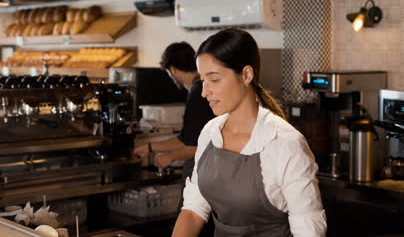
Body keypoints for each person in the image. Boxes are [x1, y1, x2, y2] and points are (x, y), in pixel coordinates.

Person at [172, 29, 327, 237]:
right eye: (202, 80)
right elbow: (193, 209)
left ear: (246, 75)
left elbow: (308, 230)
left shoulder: (285, 143)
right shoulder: (210, 133)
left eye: (214, 79)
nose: (204, 91)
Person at [133, 43, 216, 235]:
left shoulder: (197, 94)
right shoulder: (196, 91)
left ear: (173, 69)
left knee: (191, 225)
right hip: (202, 175)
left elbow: (199, 146)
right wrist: (150, 147)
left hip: (202, 175)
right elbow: (185, 138)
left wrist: (170, 157)